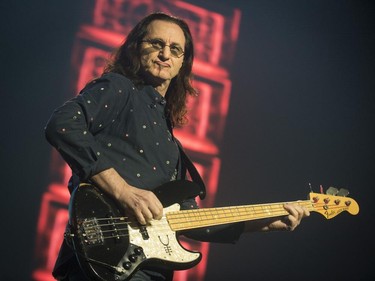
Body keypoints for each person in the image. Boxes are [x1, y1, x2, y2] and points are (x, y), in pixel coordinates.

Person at [45, 12, 309, 281]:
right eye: (156, 44)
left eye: (175, 49)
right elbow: (63, 125)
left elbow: (190, 221)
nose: (164, 54)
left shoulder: (172, 145)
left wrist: (264, 223)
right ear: (136, 47)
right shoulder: (119, 88)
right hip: (103, 258)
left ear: (183, 62)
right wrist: (123, 191)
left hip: (148, 269)